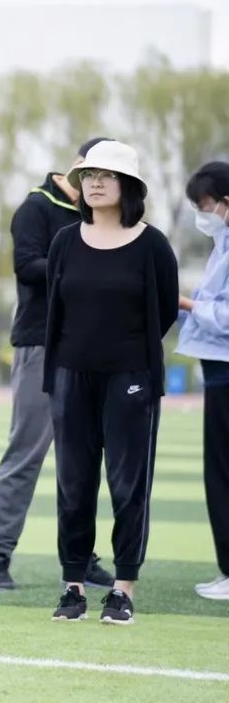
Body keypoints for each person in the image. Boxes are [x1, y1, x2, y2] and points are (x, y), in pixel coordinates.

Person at [45, 140, 178, 624]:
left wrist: (128, 358)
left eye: (107, 175)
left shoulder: (152, 244)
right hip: (70, 375)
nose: (95, 183)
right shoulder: (65, 241)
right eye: (88, 176)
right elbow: (56, 308)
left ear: (129, 186)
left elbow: (165, 309)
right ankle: (73, 584)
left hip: (131, 378)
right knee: (73, 484)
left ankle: (123, 589)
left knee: (128, 486)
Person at [0, 138, 116, 591]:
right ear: (78, 168)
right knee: (26, 453)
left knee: (82, 460)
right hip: (41, 343)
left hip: (92, 347)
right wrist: (87, 265)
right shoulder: (37, 207)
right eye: (96, 174)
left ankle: (80, 558)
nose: (101, 183)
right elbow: (26, 266)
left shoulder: (100, 213)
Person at [176, 162, 229, 601]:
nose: (202, 214)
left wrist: (187, 304)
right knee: (220, 472)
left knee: (223, 473)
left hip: (226, 371)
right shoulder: (222, 243)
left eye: (205, 205)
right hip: (217, 370)